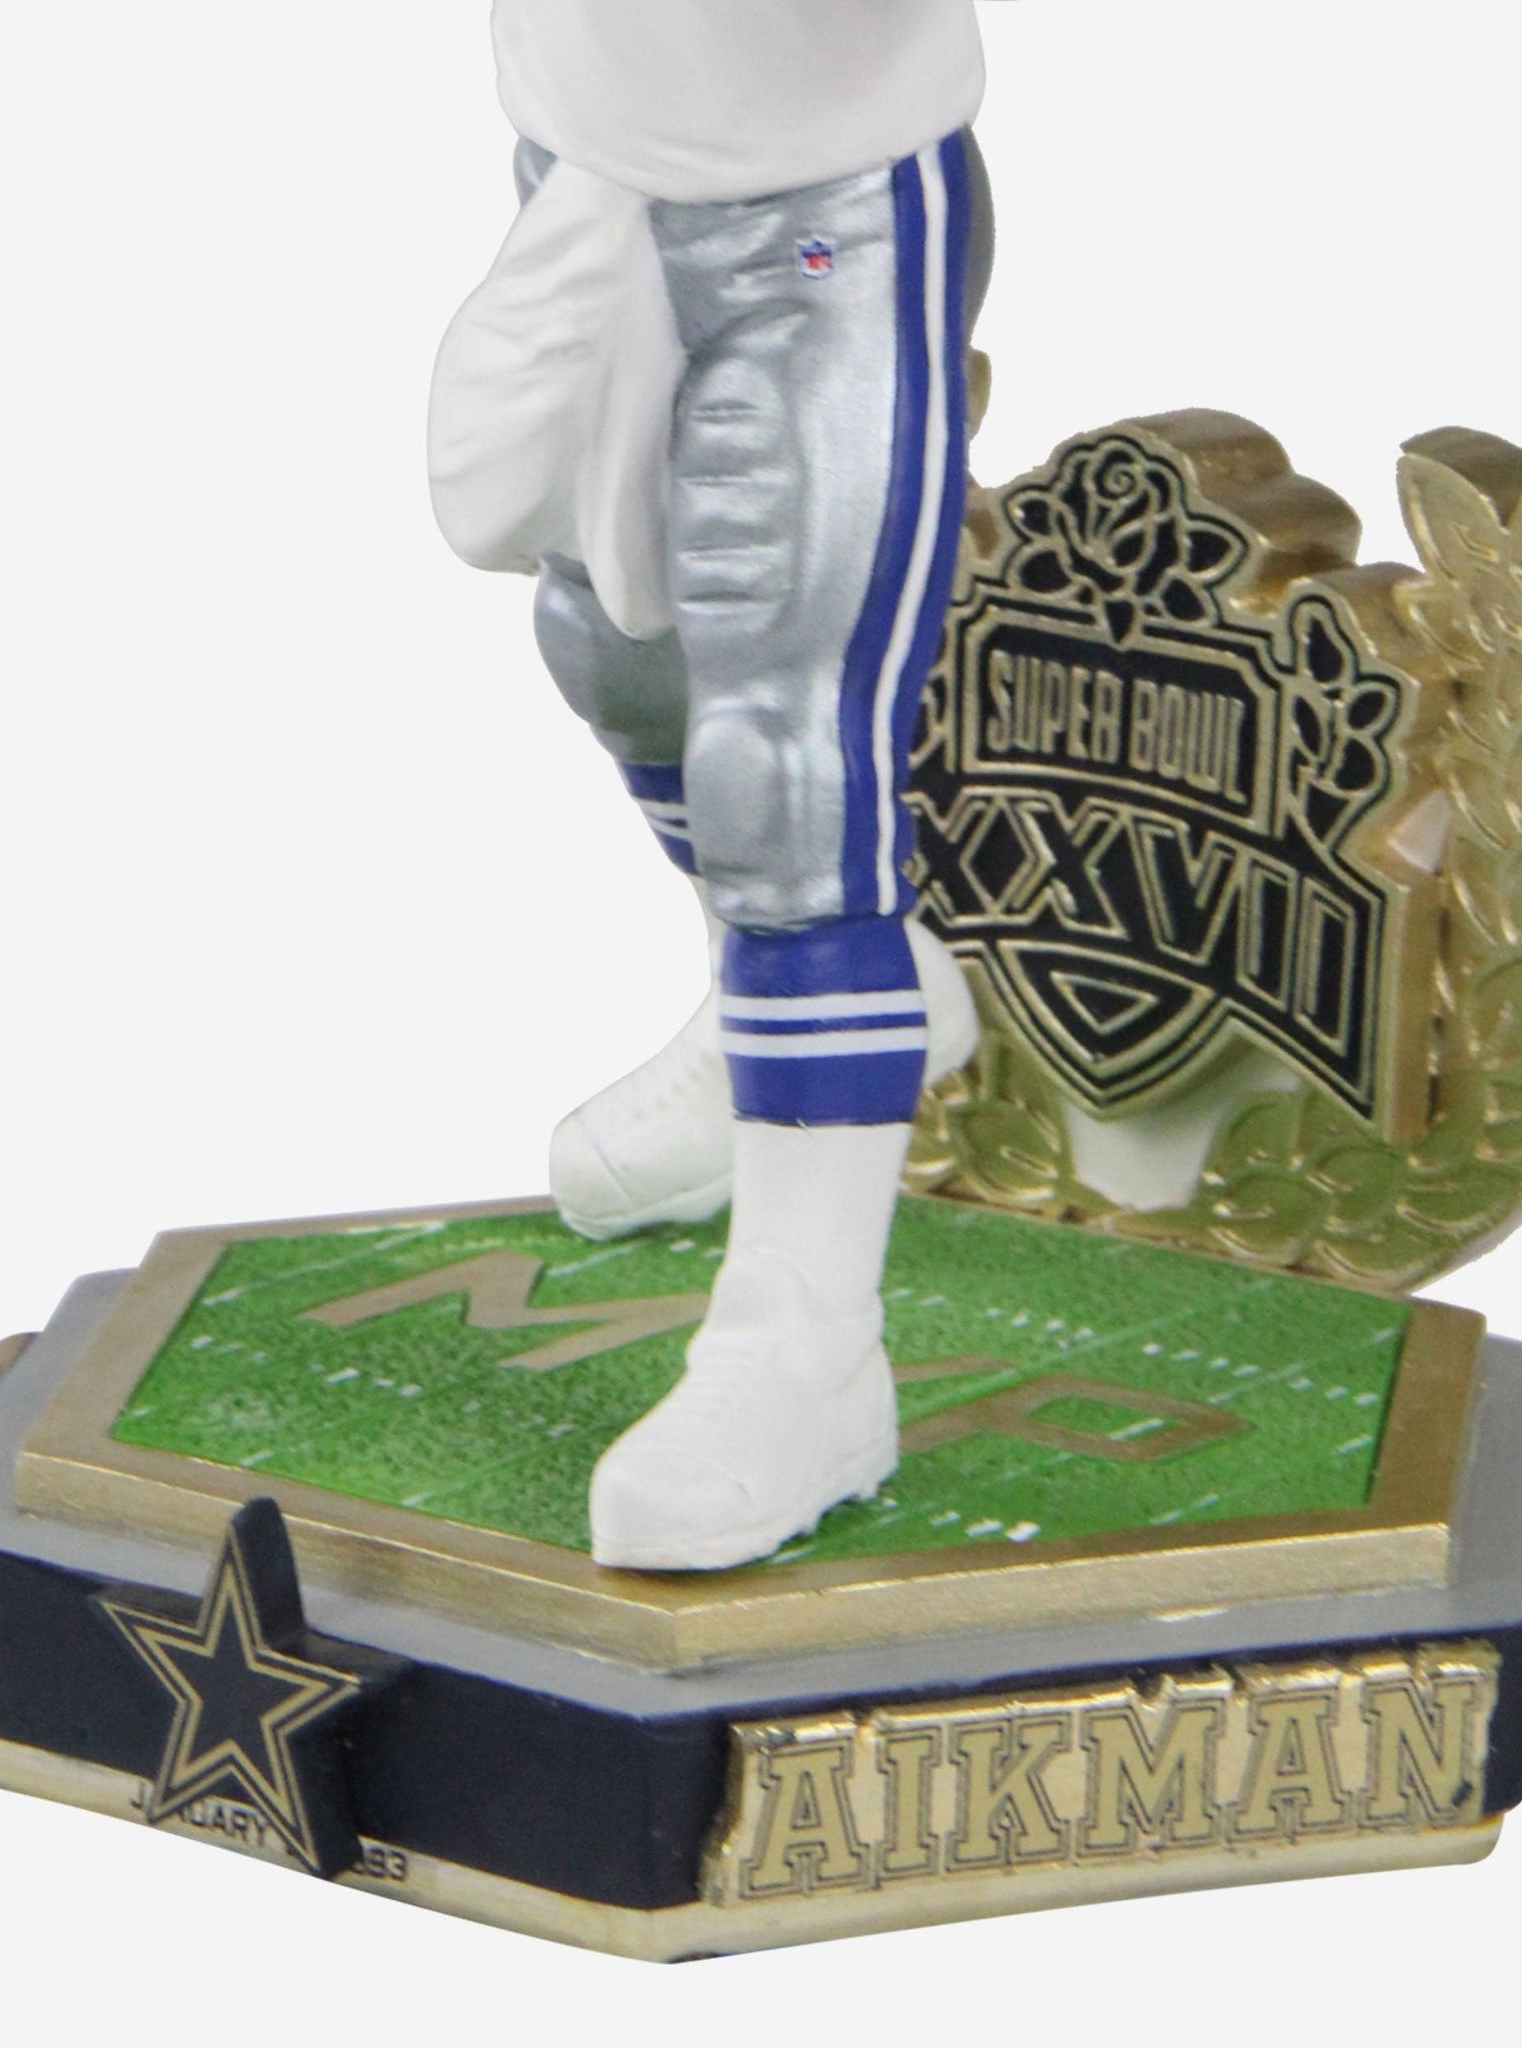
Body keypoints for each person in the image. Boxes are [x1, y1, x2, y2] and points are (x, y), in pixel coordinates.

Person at [429, 2, 1001, 1570]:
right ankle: (801, 1014)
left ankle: (807, 1347)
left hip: (825, 221)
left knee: (783, 759)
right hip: (591, 178)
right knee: (615, 651)